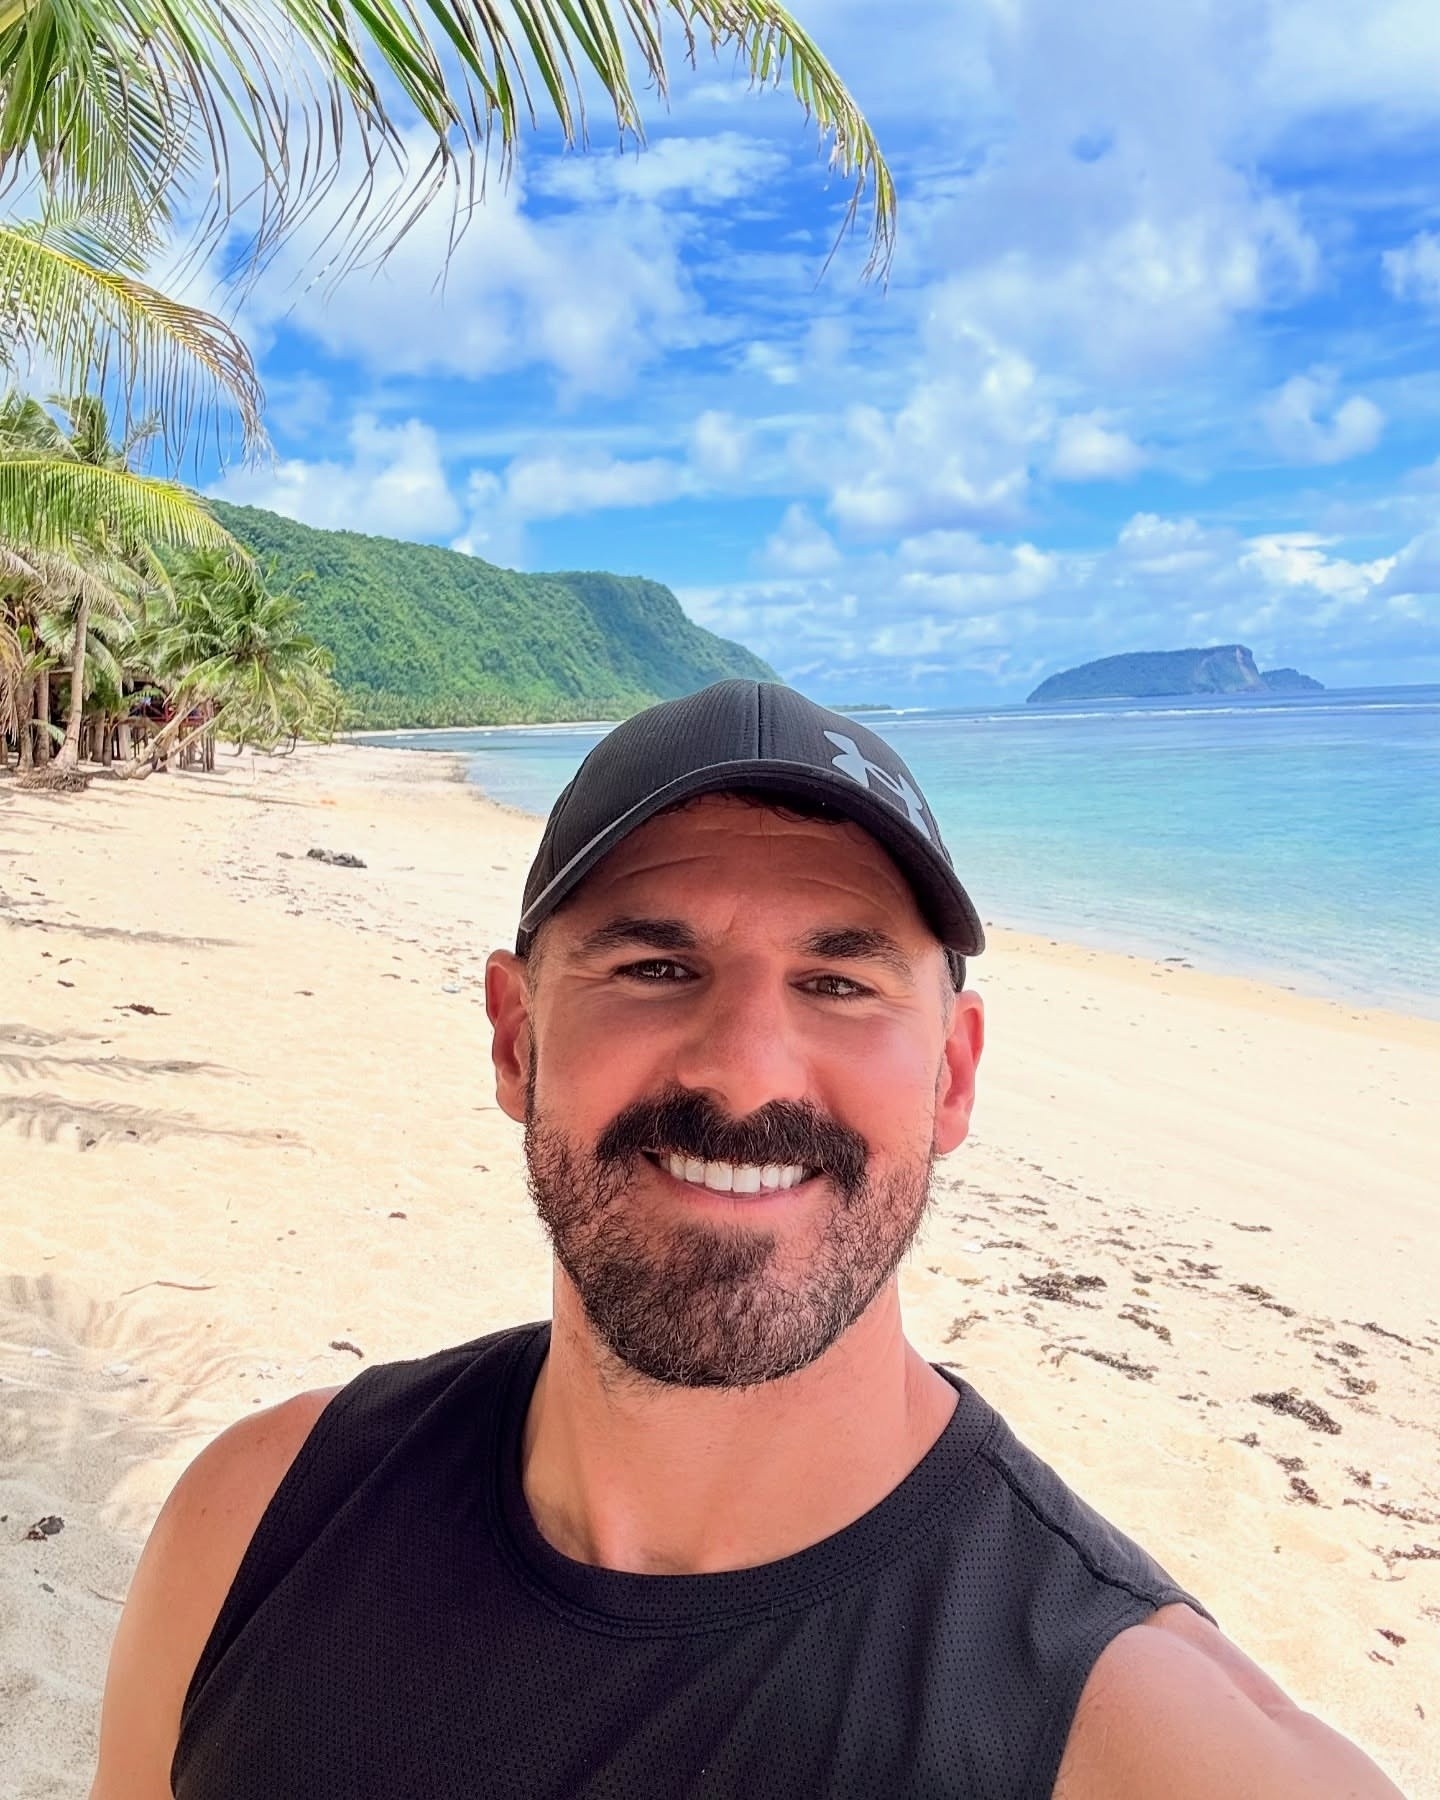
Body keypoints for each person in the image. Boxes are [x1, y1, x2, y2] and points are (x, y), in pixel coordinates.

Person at [92, 681, 1406, 1800]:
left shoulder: (1155, 1746)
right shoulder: (255, 1521)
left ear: (951, 1077)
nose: (744, 1072)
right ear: (516, 1038)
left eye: (840, 983)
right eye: (655, 969)